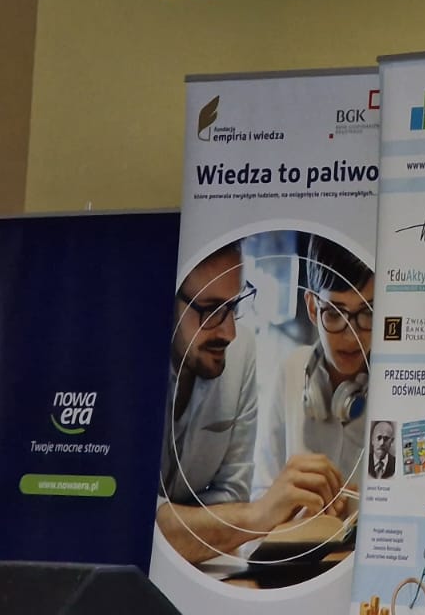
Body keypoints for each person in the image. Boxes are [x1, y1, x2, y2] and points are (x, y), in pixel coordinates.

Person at [157, 241, 346, 564]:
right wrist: (258, 515)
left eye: (234, 306)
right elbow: (138, 524)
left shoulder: (241, 351)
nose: (229, 332)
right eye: (211, 310)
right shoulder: (126, 367)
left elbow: (231, 494)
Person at [254, 236, 374, 500]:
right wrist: (289, 505)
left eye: (367, 313)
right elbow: (260, 495)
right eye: (334, 313)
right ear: (311, 307)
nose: (351, 335)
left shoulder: (397, 386)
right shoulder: (290, 371)